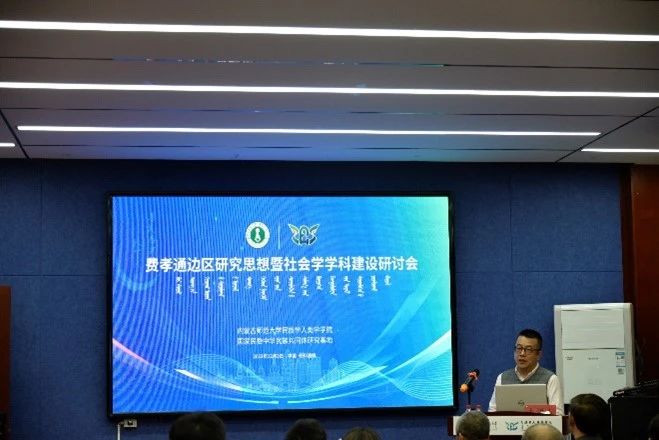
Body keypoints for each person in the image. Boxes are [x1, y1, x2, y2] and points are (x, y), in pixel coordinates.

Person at [488, 328, 563, 415]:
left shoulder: (551, 379)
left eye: (528, 349)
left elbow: (558, 414)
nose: (522, 354)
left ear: (538, 355)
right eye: (519, 348)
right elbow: (492, 411)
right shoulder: (502, 378)